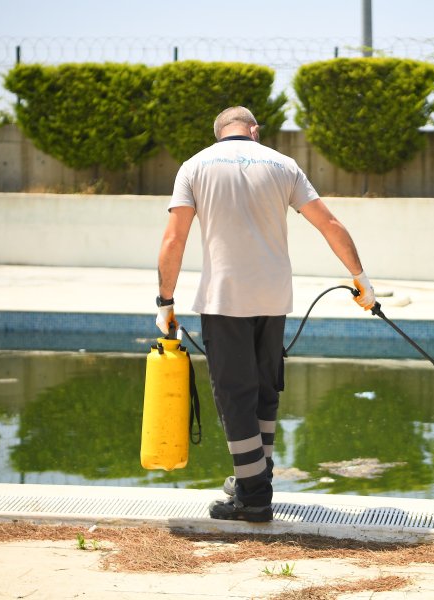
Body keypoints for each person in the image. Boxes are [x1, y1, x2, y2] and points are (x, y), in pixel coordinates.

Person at [155, 106, 375, 522]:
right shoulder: (283, 164)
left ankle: (254, 497)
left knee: (234, 397)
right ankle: (255, 476)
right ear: (253, 130)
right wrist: (360, 277)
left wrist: (165, 301)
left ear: (219, 133)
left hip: (225, 300)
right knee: (263, 392)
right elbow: (328, 222)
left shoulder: (194, 166)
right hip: (274, 298)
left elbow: (174, 238)